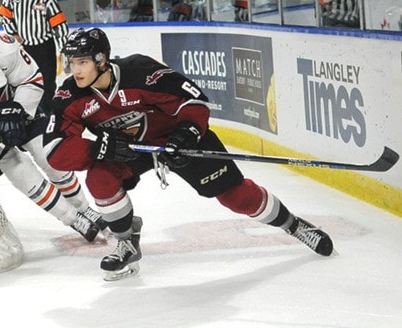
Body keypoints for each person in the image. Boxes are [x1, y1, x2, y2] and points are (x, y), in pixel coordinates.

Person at [44, 27, 334, 281]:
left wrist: (187, 133)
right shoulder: (71, 95)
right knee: (100, 178)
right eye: (71, 62)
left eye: (82, 62)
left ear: (101, 60)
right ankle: (126, 241)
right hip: (132, 149)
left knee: (236, 196)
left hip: (177, 139)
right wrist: (96, 148)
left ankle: (295, 225)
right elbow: (55, 151)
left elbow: (194, 100)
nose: (75, 70)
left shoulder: (139, 71)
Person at [0, 11, 106, 243]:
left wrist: (18, 107)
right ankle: (73, 219)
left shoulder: (5, 46)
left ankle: (84, 208)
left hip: (19, 111)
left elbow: (33, 79)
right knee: (22, 172)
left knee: (50, 157)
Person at [0, 0, 68, 114]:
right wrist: (13, 33)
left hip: (45, 48)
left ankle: (48, 116)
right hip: (25, 49)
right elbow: (4, 15)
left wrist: (63, 48)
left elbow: (59, 24)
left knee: (48, 84)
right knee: (25, 83)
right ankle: (29, 115)